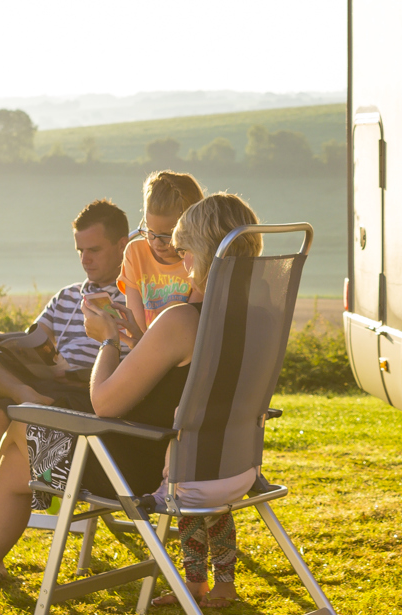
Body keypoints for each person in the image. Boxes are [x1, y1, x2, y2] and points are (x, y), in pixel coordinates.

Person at [0, 199, 132, 595]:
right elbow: (27, 342)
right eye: (80, 251)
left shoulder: (132, 298)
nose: (85, 260)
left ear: (122, 244)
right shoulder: (67, 296)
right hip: (42, 386)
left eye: (95, 250)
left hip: (85, 394)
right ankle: (23, 392)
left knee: (4, 416)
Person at [91, 193, 260, 609]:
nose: (182, 263)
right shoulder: (258, 316)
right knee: (205, 503)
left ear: (201, 256)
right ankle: (217, 585)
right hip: (239, 467)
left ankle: (197, 585)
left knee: (187, 498)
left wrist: (108, 340)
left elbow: (103, 404)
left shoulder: (182, 319)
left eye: (184, 252)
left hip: (188, 476)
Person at [118, 171, 204, 329]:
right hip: (144, 347)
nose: (156, 242)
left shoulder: (199, 260)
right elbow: (135, 326)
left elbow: (187, 326)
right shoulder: (135, 253)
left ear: (192, 227)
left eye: (167, 235)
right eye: (150, 231)